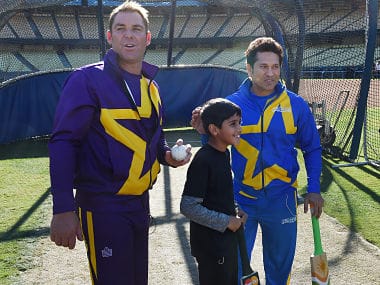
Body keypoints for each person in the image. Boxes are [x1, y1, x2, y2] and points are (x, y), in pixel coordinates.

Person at [48, 1, 191, 284]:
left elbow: (153, 138)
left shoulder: (152, 86)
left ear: (147, 38)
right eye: (121, 28)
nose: (129, 35)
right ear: (110, 37)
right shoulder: (86, 79)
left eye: (137, 29)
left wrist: (167, 155)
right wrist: (63, 208)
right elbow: (64, 142)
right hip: (103, 205)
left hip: (140, 205)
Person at [191, 37, 324, 285]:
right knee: (237, 269)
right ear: (249, 68)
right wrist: (203, 131)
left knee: (279, 271)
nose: (270, 73)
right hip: (242, 201)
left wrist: (314, 188)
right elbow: (214, 151)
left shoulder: (296, 105)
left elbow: (312, 148)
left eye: (275, 67)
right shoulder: (230, 105)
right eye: (263, 66)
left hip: (282, 200)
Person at [181, 98, 247, 285]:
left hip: (224, 242)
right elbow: (188, 207)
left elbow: (219, 192)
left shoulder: (224, 152)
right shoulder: (203, 160)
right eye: (233, 124)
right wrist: (227, 221)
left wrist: (234, 210)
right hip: (211, 246)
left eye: (239, 123)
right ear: (214, 130)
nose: (239, 129)